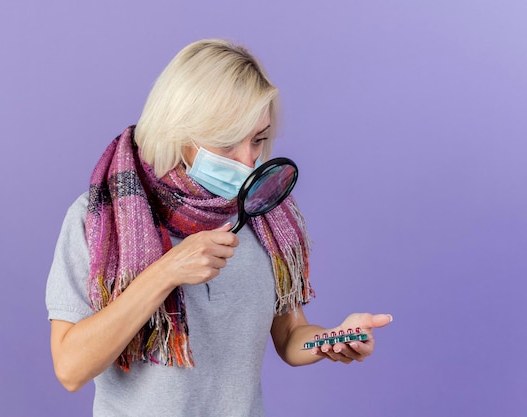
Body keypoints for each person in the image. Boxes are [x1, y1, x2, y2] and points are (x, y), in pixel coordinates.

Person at [46, 38, 393, 417]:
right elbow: (70, 369)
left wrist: (332, 340)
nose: (248, 161)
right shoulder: (100, 219)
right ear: (178, 131)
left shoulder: (267, 214)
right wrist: (167, 271)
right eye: (228, 143)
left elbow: (291, 337)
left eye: (258, 140)